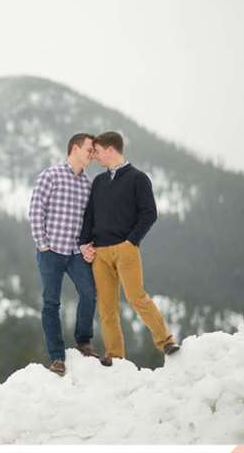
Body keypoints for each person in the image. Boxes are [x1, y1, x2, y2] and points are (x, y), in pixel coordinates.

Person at [79, 131, 179, 367]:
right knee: (107, 307)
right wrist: (84, 244)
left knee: (136, 298)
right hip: (100, 254)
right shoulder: (99, 182)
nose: (95, 157)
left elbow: (149, 213)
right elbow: (89, 216)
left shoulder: (138, 178)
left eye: (98, 152)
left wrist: (131, 241)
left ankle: (165, 341)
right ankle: (115, 356)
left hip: (126, 249)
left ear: (111, 150)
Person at [27, 133, 100, 376]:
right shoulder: (51, 175)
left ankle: (83, 342)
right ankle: (57, 357)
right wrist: (42, 244)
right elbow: (36, 209)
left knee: (89, 293)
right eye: (89, 149)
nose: (92, 154)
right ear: (75, 148)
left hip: (75, 253)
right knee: (51, 303)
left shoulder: (87, 184)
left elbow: (88, 221)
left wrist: (88, 246)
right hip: (51, 252)